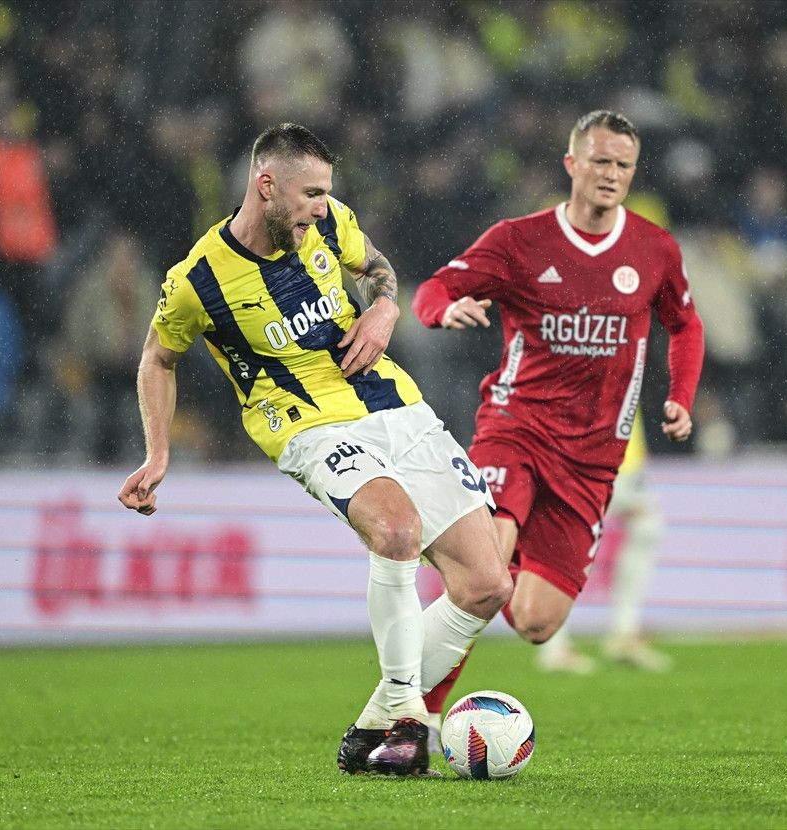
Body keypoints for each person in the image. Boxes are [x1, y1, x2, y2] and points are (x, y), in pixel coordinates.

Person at [117, 124, 512, 776]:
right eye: (311, 195)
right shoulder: (197, 280)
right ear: (266, 185)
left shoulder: (329, 223)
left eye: (327, 194)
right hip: (309, 426)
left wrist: (384, 309)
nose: (321, 207)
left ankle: (373, 726)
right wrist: (157, 454)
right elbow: (158, 358)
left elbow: (376, 268)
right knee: (396, 531)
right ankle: (409, 719)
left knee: (486, 584)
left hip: (393, 404)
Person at [412, 110, 705, 730]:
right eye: (600, 161)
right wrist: (444, 311)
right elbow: (434, 288)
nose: (611, 174)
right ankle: (416, 718)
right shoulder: (520, 240)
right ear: (572, 164)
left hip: (593, 459)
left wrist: (682, 394)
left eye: (623, 165)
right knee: (485, 572)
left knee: (537, 623)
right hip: (515, 428)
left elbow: (685, 325)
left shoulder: (654, 249)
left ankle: (470, 557)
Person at [535, 410, 673, 674]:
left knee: (645, 528)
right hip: (585, 456)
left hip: (623, 458)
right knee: (572, 542)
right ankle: (555, 645)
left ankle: (622, 634)